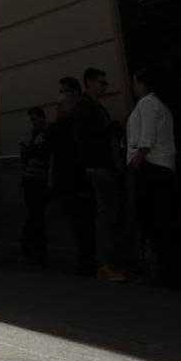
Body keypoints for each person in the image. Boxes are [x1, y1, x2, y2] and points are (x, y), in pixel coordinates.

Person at [70, 66, 127, 282]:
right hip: (100, 167)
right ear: (90, 83)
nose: (105, 87)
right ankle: (104, 265)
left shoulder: (96, 106)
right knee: (106, 215)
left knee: (110, 214)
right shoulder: (85, 107)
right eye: (102, 82)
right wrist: (113, 125)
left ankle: (110, 262)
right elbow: (86, 137)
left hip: (106, 166)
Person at [127, 66, 181, 286]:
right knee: (164, 218)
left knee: (154, 219)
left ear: (141, 82)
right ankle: (168, 269)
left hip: (152, 166)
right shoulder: (161, 106)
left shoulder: (147, 103)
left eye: (134, 82)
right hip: (164, 166)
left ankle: (162, 270)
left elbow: (147, 134)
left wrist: (139, 155)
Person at [48, 78, 97, 275]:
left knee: (81, 224)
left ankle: (86, 262)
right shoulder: (66, 126)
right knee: (82, 223)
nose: (58, 108)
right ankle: (87, 261)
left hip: (73, 181)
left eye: (60, 104)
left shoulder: (61, 128)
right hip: (77, 181)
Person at [19, 106, 51, 266]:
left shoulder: (46, 133)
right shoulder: (35, 135)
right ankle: (36, 250)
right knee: (36, 215)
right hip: (31, 179)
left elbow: (45, 153)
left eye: (34, 119)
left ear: (42, 117)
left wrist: (30, 151)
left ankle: (31, 246)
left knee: (36, 215)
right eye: (31, 120)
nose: (33, 123)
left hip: (39, 179)